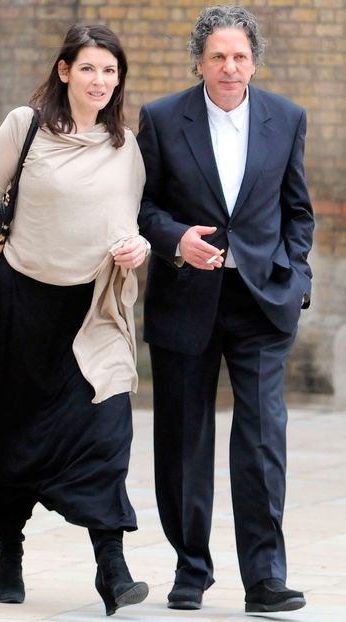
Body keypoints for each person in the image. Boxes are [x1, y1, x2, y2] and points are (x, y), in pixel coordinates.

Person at [0, 23, 149, 616]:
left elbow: (133, 221)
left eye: (111, 70)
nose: (101, 80)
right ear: (65, 71)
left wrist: (138, 248)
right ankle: (9, 549)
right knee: (13, 432)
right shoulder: (25, 126)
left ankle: (112, 568)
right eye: (89, 68)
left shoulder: (125, 144)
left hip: (92, 313)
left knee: (106, 432)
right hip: (19, 303)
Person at [137, 4, 313, 614]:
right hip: (186, 296)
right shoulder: (161, 119)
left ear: (254, 62)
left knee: (263, 437)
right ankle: (191, 569)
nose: (229, 66)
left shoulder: (286, 118)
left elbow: (298, 210)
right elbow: (143, 206)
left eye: (239, 56)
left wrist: (297, 279)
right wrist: (174, 239)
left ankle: (265, 576)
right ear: (199, 61)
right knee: (184, 438)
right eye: (217, 56)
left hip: (262, 301)